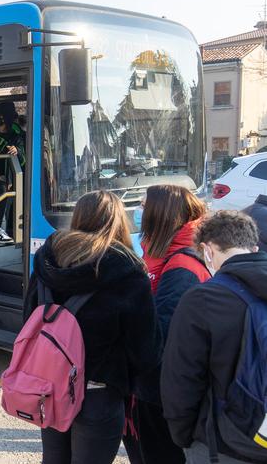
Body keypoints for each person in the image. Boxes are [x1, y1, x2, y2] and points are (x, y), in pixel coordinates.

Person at [26, 190, 161, 464]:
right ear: (118, 221)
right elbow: (146, 351)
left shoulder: (48, 259)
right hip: (99, 392)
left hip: (51, 386)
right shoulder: (127, 271)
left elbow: (30, 318)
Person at [162, 211, 267, 464]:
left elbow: (180, 379)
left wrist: (184, 435)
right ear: (253, 247)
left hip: (226, 441)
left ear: (207, 250)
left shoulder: (203, 299)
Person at [124, 185, 210, 464]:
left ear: (160, 215)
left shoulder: (182, 266)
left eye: (143, 206)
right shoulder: (160, 254)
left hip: (159, 392)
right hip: (151, 387)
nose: (139, 212)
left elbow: (161, 337)